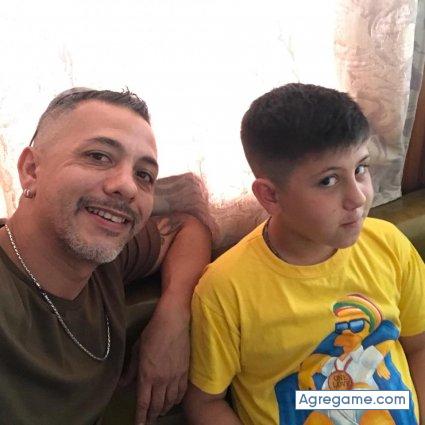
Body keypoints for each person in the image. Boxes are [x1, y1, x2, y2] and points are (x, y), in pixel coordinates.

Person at [184, 84, 425, 424]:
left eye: (360, 168)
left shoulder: (389, 245)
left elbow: (419, 345)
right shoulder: (226, 288)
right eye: (328, 181)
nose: (358, 197)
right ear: (270, 196)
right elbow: (205, 402)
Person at [0, 88, 211, 425]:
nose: (128, 186)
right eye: (98, 156)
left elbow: (187, 227)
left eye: (144, 175)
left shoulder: (107, 260)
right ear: (31, 169)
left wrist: (174, 316)